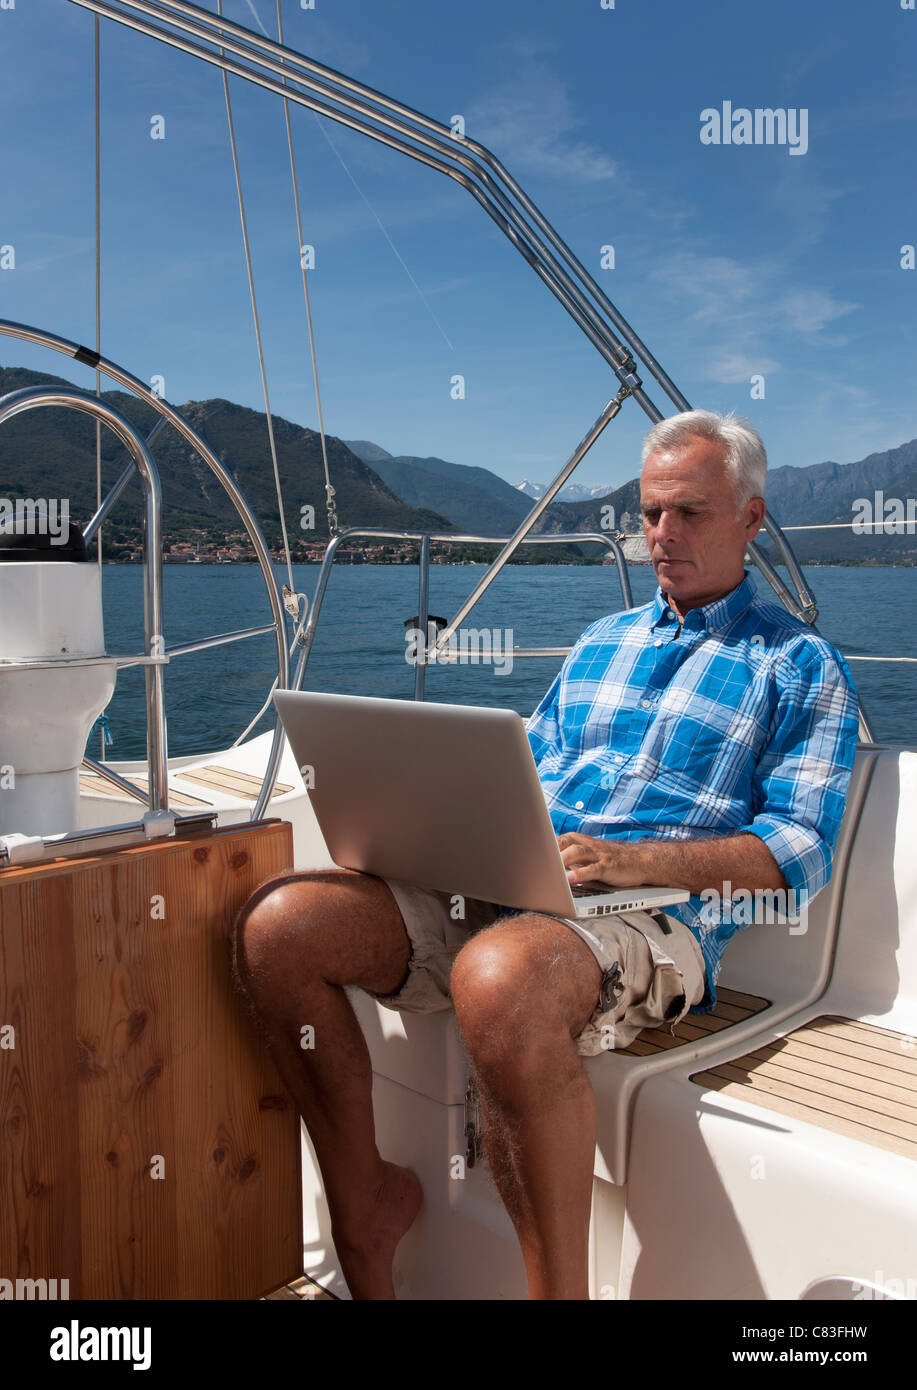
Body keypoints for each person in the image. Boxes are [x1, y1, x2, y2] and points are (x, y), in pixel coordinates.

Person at [233, 409, 860, 1300]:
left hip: (648, 920)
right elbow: (519, 768)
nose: (659, 536)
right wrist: (434, 823)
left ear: (751, 519)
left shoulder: (798, 667)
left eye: (687, 513)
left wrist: (642, 863)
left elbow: (797, 854)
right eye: (648, 514)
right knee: (281, 925)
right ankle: (363, 1203)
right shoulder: (600, 644)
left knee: (499, 975)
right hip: (512, 882)